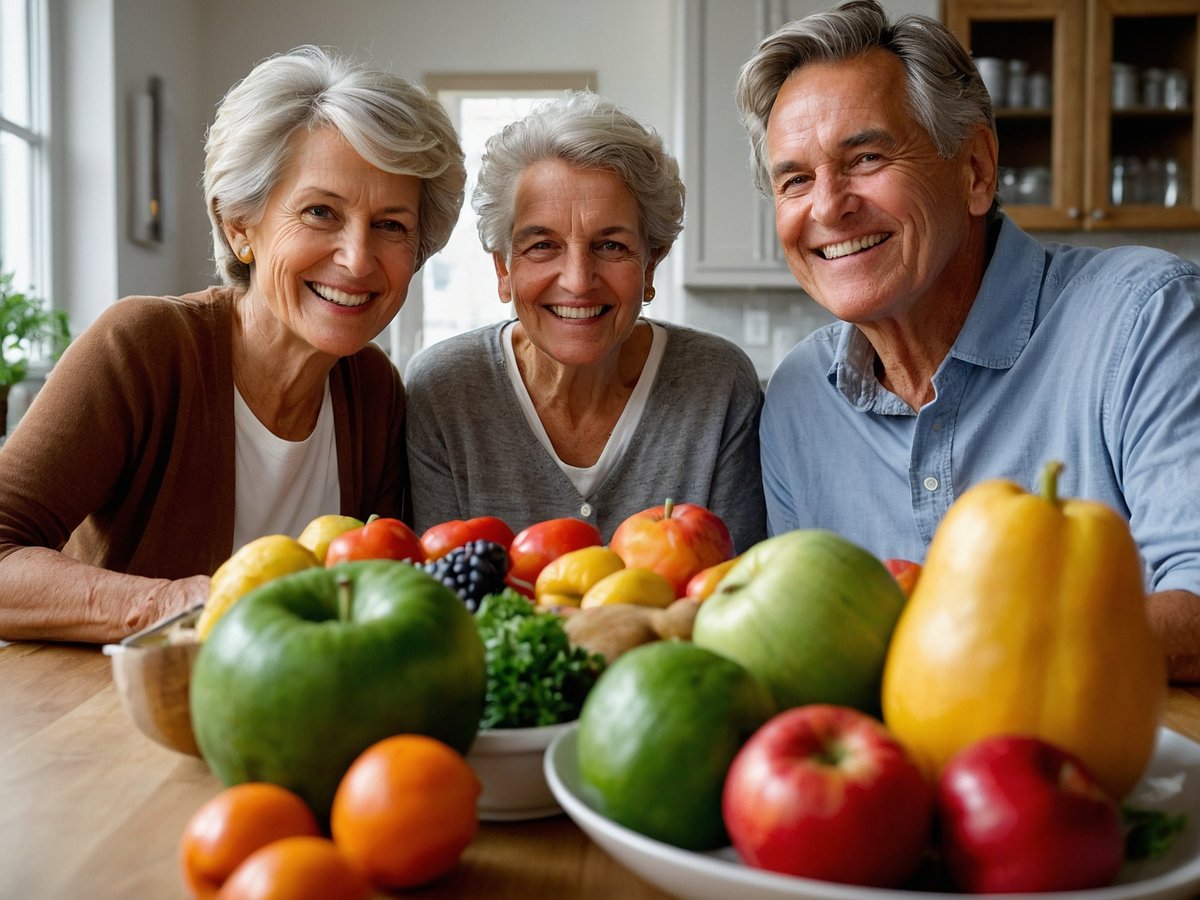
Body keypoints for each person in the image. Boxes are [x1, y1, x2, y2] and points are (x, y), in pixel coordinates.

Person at [737, 0, 1200, 681]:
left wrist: (979, 661)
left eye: (865, 158)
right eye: (796, 179)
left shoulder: (1143, 317)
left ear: (977, 170)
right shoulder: (800, 399)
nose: (829, 206)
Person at [0, 45, 465, 643]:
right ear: (240, 224)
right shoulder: (143, 346)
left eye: (391, 224)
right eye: (321, 212)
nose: (357, 258)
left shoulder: (374, 390)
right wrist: (190, 601)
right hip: (117, 715)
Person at [405, 91, 766, 550]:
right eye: (542, 245)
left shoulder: (717, 384)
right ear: (503, 270)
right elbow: (441, 597)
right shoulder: (446, 390)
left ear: (651, 264)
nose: (578, 281)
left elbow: (731, 592)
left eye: (611, 245)